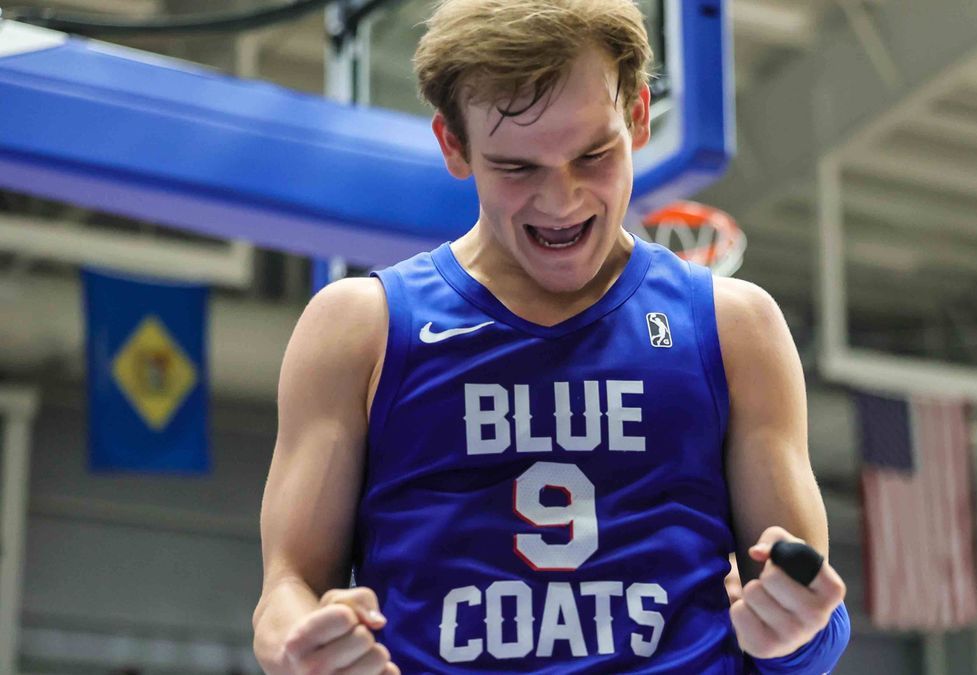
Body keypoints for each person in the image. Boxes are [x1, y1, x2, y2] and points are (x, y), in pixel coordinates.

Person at [252, 1, 849, 672]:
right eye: (517, 168)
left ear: (640, 116)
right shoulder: (361, 328)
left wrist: (796, 632)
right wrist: (303, 648)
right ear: (454, 145)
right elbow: (287, 587)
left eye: (593, 154)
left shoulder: (736, 328)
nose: (561, 201)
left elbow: (806, 611)